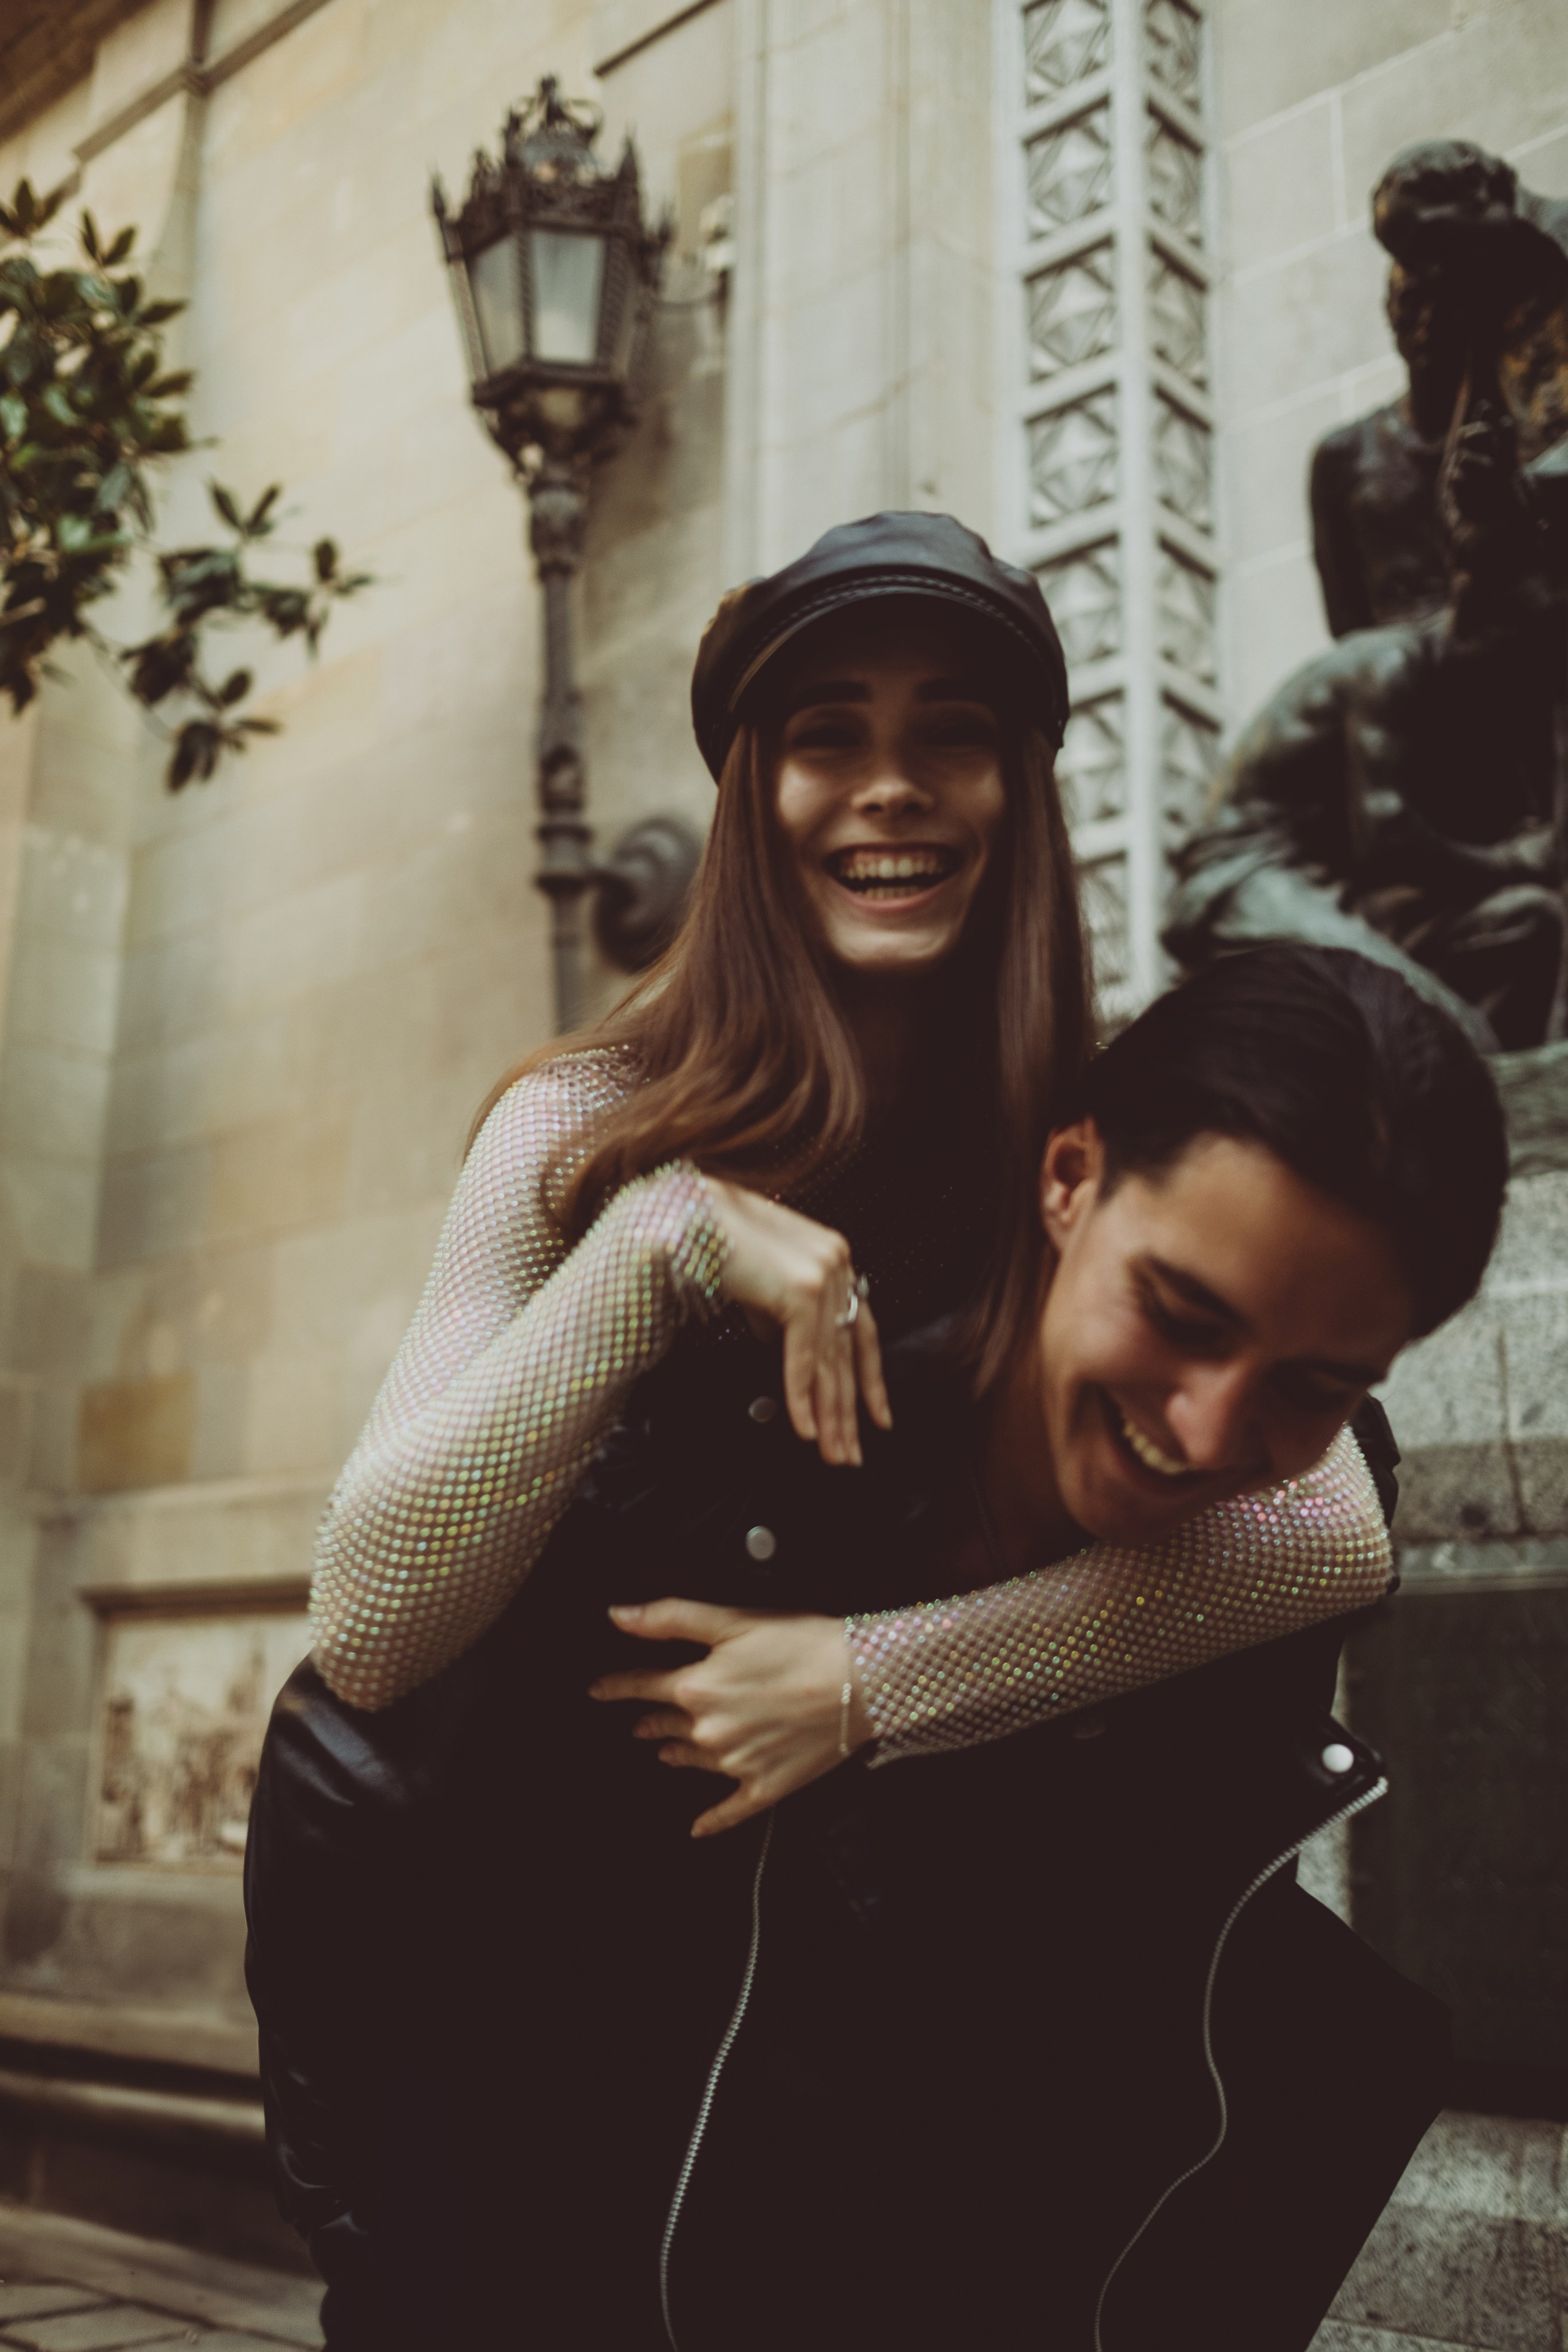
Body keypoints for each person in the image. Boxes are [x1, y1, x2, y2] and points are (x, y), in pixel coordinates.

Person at [243, 516, 1497, 2347]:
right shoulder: (579, 1127)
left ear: (1021, 782)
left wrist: (867, 1682)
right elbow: (371, 1616)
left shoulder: (1101, 1139)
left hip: (900, 2113)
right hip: (537, 2058)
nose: (890, 790)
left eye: (954, 733)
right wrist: (657, 1248)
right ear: (755, 786)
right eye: (831, 731)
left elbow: (1324, 1530)